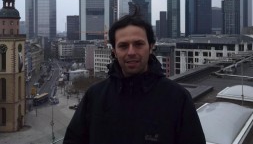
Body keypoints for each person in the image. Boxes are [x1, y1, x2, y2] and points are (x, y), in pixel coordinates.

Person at [63, 11, 206, 144]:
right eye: (123, 46)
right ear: (114, 51)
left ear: (151, 47)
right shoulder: (94, 97)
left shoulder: (177, 98)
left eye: (138, 44)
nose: (131, 52)